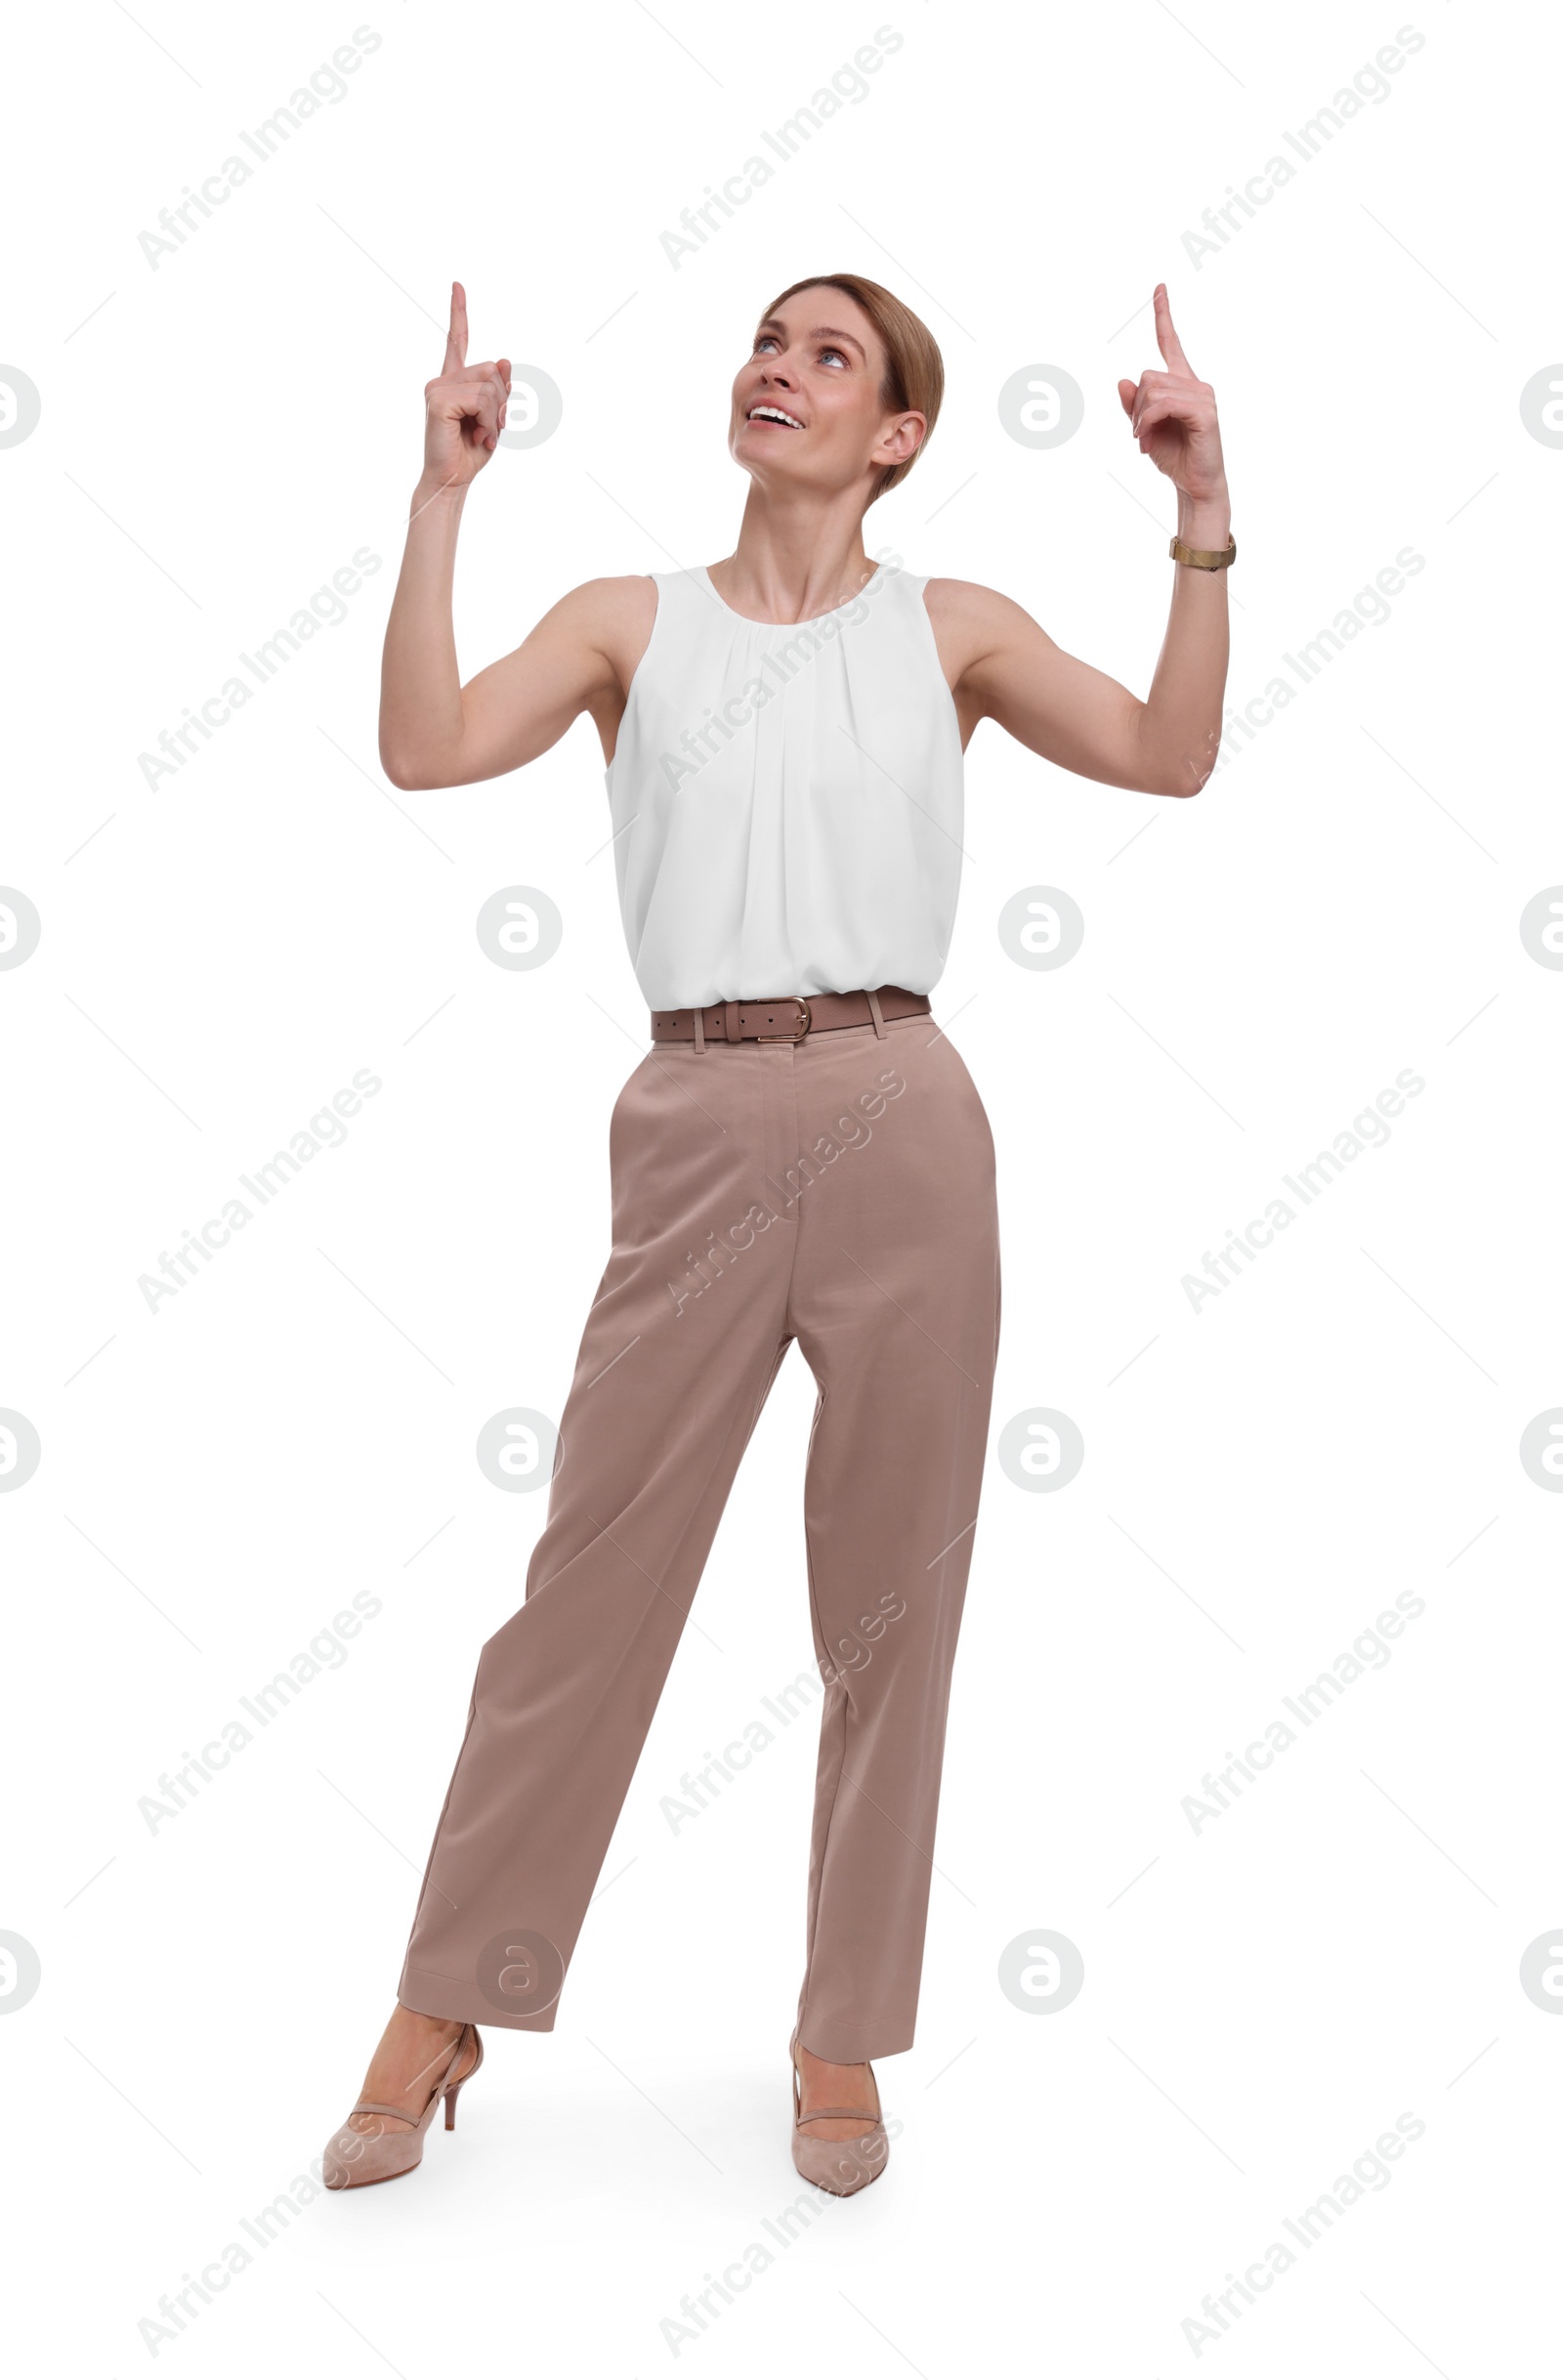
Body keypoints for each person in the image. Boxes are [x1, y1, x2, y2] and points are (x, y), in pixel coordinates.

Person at [322, 270, 1232, 2197]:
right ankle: (446, 1999)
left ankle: (840, 2033)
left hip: (907, 1113)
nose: (777, 368)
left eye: (829, 355)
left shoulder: (950, 628)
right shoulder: (619, 625)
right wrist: (438, 496)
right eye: (765, 340)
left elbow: (1165, 754)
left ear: (893, 433)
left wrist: (1196, 517)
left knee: (888, 1600)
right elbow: (417, 749)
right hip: (695, 1115)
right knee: (588, 1584)